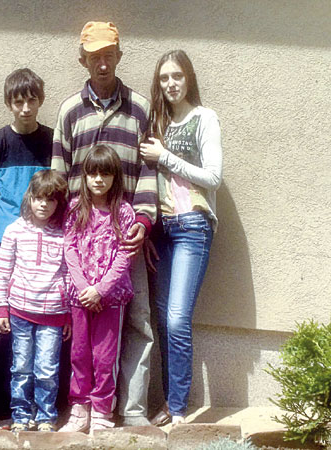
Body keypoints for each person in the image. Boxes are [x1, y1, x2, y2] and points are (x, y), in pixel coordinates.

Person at [51, 21, 157, 426]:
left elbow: (150, 172)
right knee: (81, 334)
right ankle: (82, 405)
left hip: (127, 236)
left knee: (137, 322)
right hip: (82, 236)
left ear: (119, 56)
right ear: (83, 60)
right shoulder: (69, 111)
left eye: (109, 55)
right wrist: (67, 229)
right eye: (94, 56)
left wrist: (143, 221)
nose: (102, 63)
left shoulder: (140, 108)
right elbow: (59, 174)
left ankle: (130, 410)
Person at [140, 50, 222, 426]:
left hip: (192, 227)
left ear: (189, 78)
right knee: (162, 320)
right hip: (163, 231)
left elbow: (213, 177)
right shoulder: (156, 123)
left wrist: (166, 156)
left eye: (177, 76)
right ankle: (170, 403)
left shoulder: (204, 118)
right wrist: (148, 232)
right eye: (164, 78)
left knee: (176, 320)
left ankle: (178, 409)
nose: (171, 84)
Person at [0, 67, 52, 428]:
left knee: (45, 324)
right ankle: (0, 406)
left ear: (41, 100)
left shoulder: (52, 141)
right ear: (8, 103)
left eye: (31, 100)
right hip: (4, 241)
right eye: (18, 101)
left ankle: (44, 407)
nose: (25, 108)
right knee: (5, 321)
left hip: (44, 241)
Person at [59, 145, 136, 433]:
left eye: (105, 174)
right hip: (80, 297)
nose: (99, 179)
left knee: (104, 357)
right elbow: (69, 248)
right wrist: (84, 288)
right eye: (93, 173)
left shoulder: (124, 212)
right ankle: (80, 410)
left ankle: (102, 411)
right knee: (79, 354)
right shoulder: (75, 208)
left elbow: (125, 256)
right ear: (85, 176)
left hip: (110, 299)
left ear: (115, 177)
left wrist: (100, 290)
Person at [0, 170, 71, 433]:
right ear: (30, 198)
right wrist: (1, 308)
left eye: (50, 200)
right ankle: (21, 415)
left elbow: (68, 275)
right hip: (20, 311)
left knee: (47, 369)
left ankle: (46, 417)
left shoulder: (64, 234)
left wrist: (68, 314)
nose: (43, 204)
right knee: (21, 367)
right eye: (39, 198)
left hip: (54, 314)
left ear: (58, 203)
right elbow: (3, 271)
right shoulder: (14, 231)